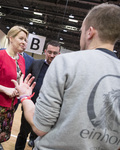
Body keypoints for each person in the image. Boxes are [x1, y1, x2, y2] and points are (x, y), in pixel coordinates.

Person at [12, 3, 120, 150]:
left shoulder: (66, 62)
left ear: (90, 32)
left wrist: (25, 96)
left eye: (81, 31)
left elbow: (40, 127)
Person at [15, 40, 61, 150]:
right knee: (23, 133)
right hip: (30, 104)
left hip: (47, 110)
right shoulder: (36, 63)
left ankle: (32, 140)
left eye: (55, 53)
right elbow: (27, 80)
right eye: (49, 52)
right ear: (45, 51)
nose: (52, 55)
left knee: (39, 138)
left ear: (59, 54)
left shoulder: (61, 70)